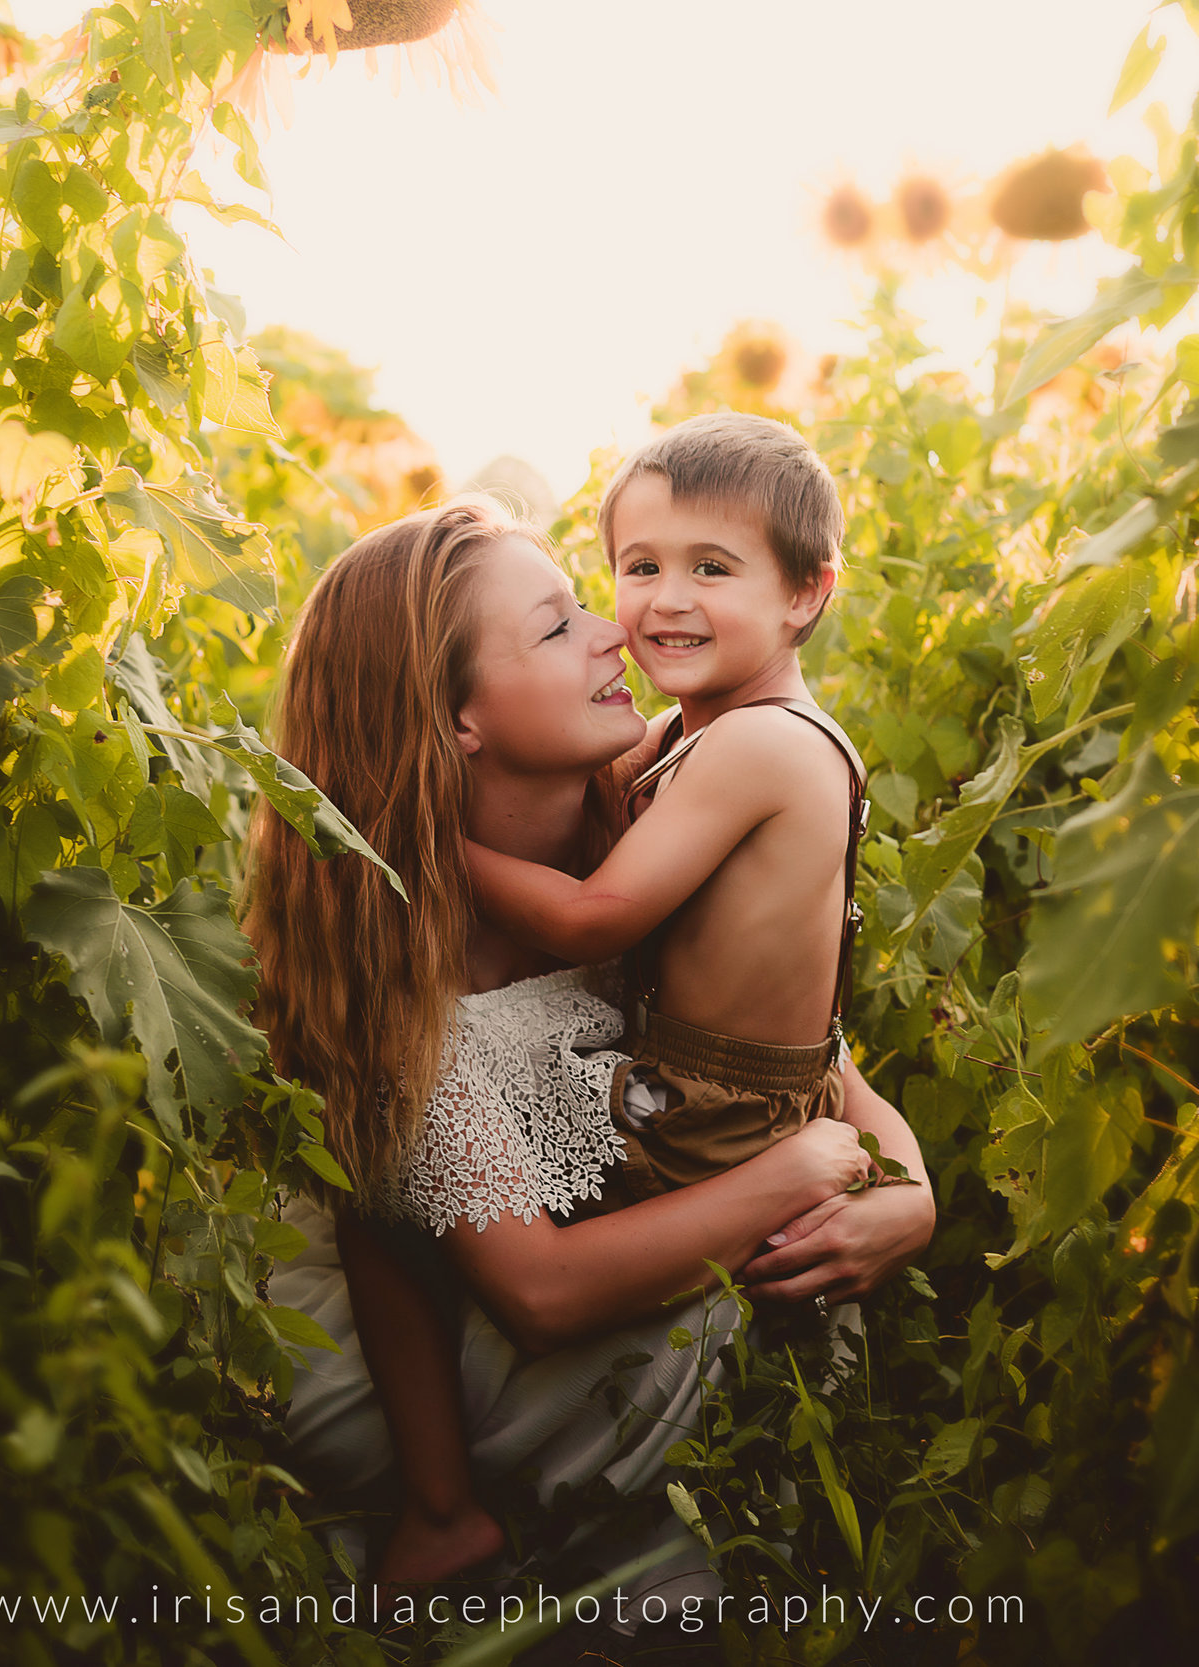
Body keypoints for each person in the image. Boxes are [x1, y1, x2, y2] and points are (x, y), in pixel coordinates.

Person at [243, 495, 935, 1587]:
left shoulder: (638, 820)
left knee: (735, 1303)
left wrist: (908, 1185)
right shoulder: (404, 985)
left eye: (582, 605)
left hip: (612, 1229)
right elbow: (541, 1293)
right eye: (557, 627)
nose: (616, 630)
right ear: (457, 717)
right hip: (475, 1319)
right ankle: (447, 1513)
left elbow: (805, 1049)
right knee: (705, 1321)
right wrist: (797, 1167)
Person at [467, 412, 886, 1204]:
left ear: (805, 591)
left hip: (715, 1117)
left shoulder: (763, 744)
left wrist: (428, 845)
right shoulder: (682, 731)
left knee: (415, 1134)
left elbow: (592, 916)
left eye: (712, 569)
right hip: (686, 1090)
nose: (667, 599)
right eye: (643, 565)